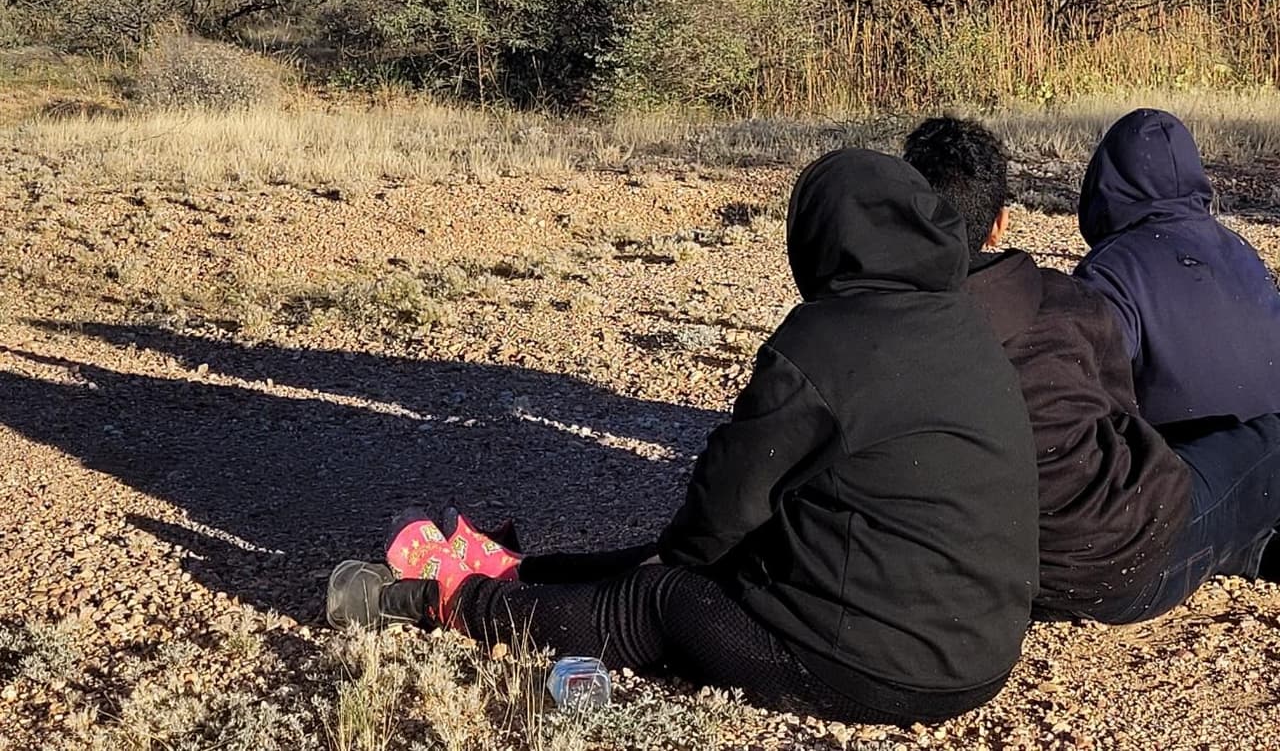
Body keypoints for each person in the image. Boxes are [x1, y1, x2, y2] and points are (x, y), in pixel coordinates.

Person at [328, 150, 1040, 727]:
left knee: (660, 599)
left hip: (879, 670)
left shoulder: (824, 344)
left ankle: (442, 602)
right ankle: (526, 573)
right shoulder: (963, 324)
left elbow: (722, 510)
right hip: (982, 651)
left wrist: (665, 567)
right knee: (698, 557)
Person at [905, 114, 1280, 624]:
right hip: (1226, 467)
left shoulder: (1108, 272)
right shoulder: (1239, 249)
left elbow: (1095, 404)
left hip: (1158, 486)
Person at [1075, 108, 1280, 428]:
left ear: (1103, 181)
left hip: (1185, 454)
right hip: (1268, 445)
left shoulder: (1109, 272)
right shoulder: (1241, 251)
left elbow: (1076, 394)